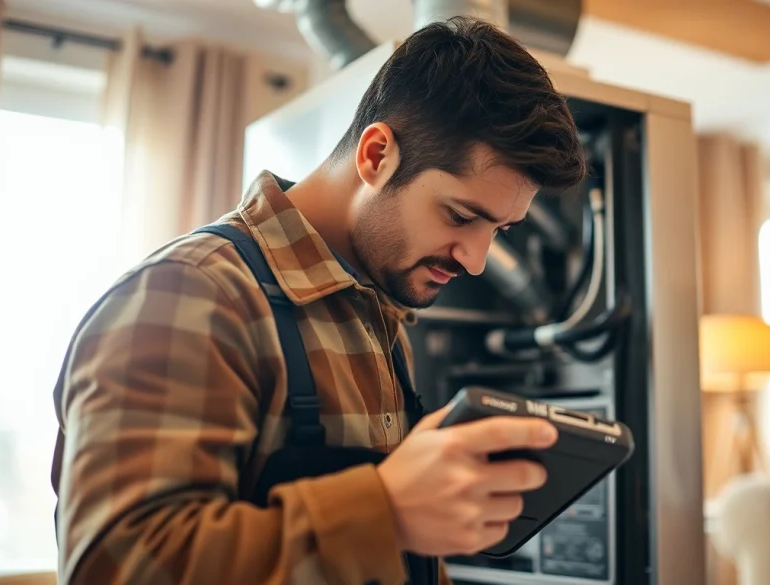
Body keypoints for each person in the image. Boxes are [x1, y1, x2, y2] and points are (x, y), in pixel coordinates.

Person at [49, 15, 587, 585]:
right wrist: (385, 512)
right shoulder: (189, 296)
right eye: (459, 216)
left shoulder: (377, 317)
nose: (476, 261)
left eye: (498, 230)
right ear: (376, 155)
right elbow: (119, 567)